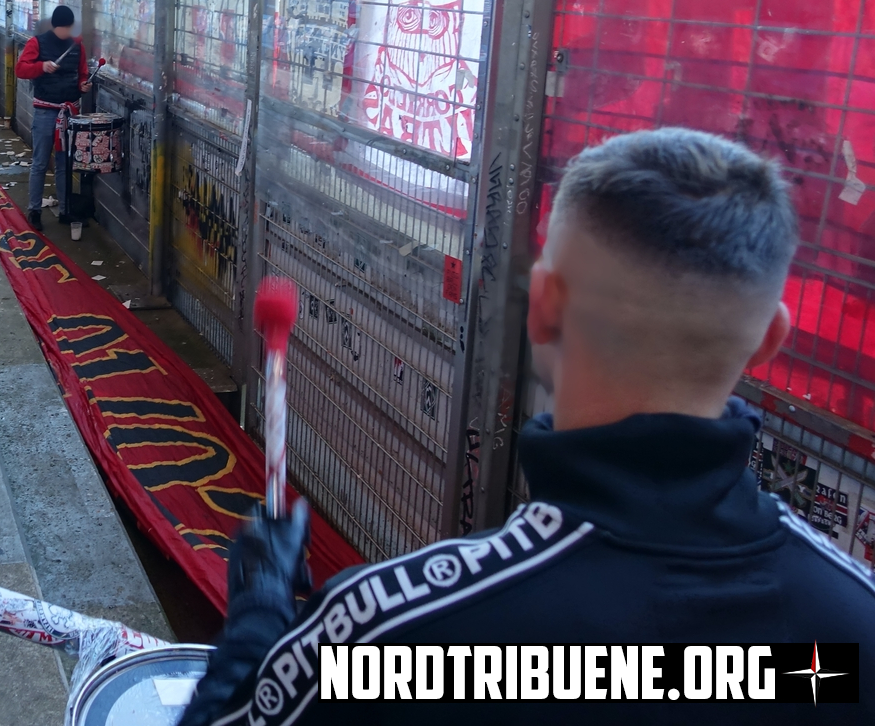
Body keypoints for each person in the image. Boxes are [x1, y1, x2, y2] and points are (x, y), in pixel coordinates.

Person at [180, 128, 875, 725]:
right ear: (769, 340)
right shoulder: (847, 636)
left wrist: (260, 614)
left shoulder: (399, 642)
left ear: (541, 307)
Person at [14, 5, 90, 232]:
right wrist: (41, 66)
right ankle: (34, 210)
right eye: (66, 28)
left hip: (69, 113)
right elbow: (21, 69)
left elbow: (82, 73)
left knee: (64, 164)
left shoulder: (77, 46)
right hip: (46, 111)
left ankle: (65, 210)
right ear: (58, 26)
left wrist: (83, 85)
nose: (68, 32)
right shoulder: (37, 43)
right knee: (40, 162)